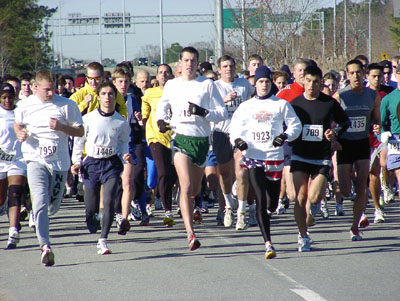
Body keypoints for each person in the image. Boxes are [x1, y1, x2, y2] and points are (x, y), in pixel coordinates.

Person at [156, 46, 228, 250]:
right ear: (179, 63)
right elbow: (163, 105)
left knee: (195, 189)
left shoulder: (207, 85)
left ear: (198, 64)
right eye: (185, 60)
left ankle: (193, 204)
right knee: (185, 186)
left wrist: (204, 112)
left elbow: (222, 112)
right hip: (181, 139)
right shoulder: (172, 84)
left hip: (202, 142)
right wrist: (161, 120)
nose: (189, 64)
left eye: (193, 61)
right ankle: (190, 233)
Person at [230, 66, 301, 259]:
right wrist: (238, 141)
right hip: (253, 156)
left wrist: (285, 136)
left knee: (271, 202)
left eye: (267, 81)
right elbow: (234, 127)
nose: (264, 85)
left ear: (271, 83)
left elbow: (296, 125)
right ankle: (268, 244)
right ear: (255, 83)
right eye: (261, 81)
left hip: (274, 157)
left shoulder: (280, 105)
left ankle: (270, 209)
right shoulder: (246, 106)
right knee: (260, 198)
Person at [14, 69, 84, 266]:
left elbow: (80, 131)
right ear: (35, 87)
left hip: (59, 163)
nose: (51, 93)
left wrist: (61, 127)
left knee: (52, 206)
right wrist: (20, 133)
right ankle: (45, 246)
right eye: (47, 90)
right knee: (40, 201)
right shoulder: (25, 105)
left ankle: (43, 223)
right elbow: (18, 125)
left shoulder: (66, 105)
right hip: (35, 159)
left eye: (53, 89)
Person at [290, 66, 349, 252]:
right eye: (308, 81)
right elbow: (286, 125)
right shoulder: (295, 104)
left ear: (320, 83)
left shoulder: (329, 103)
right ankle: (304, 236)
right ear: (303, 81)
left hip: (321, 157)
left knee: (314, 197)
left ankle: (310, 214)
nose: (311, 85)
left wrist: (334, 132)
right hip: (299, 154)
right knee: (300, 197)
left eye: (315, 82)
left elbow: (344, 122)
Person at [71, 82, 131, 255]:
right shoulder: (88, 118)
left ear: (115, 97)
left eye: (110, 94)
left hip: (111, 163)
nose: (107, 97)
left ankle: (103, 239)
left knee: (110, 199)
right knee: (91, 209)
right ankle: (93, 218)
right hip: (91, 164)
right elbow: (78, 141)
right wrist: (76, 162)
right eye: (103, 94)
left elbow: (123, 143)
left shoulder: (121, 122)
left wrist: (125, 155)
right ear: (99, 97)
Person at [333, 59, 381, 241]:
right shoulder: (340, 96)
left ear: (364, 74)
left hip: (362, 142)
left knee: (362, 183)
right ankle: (348, 189)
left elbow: (376, 120)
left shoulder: (372, 96)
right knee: (345, 190)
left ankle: (355, 226)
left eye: (358, 72)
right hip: (344, 144)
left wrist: (376, 127)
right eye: (352, 73)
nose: (356, 76)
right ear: (347, 75)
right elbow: (331, 121)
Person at [213, 55, 255, 230]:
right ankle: (229, 206)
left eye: (231, 65)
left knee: (241, 173)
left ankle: (242, 212)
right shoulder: (214, 87)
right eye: (225, 66)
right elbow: (207, 108)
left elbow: (255, 99)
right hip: (221, 133)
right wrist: (224, 101)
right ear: (219, 70)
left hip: (240, 134)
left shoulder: (244, 85)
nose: (228, 69)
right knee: (224, 175)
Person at [141, 64, 178, 227]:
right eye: (161, 73)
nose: (164, 75)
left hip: (175, 137)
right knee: (162, 171)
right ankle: (167, 210)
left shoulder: (177, 91)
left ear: (171, 75)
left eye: (166, 72)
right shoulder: (150, 93)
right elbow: (145, 114)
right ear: (157, 76)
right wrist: (141, 119)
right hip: (155, 137)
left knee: (172, 175)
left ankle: (159, 197)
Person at [275, 58, 310, 215]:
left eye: (305, 70)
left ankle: (308, 212)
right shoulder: (285, 93)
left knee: (310, 190)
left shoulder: (315, 91)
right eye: (299, 70)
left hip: (311, 142)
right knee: (293, 194)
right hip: (291, 143)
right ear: (293, 74)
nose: (302, 73)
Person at [366, 63, 394, 223]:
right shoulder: (363, 93)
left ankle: (387, 185)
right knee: (372, 175)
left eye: (380, 76)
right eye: (374, 76)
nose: (377, 79)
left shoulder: (389, 93)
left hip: (385, 138)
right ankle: (377, 208)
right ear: (367, 77)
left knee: (384, 162)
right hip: (367, 139)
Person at [0, 83, 27, 249]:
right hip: (0, 159)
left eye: (10, 97)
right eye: (4, 97)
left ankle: (13, 231)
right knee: (1, 198)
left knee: (15, 192)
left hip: (18, 159)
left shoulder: (21, 112)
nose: (8, 100)